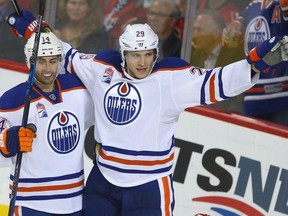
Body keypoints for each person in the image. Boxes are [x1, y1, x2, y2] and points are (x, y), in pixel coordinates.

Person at [7, 9, 288, 216]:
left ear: (156, 53)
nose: (142, 62)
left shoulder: (171, 78)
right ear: (123, 53)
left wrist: (255, 62)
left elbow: (216, 82)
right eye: (135, 55)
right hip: (103, 180)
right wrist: (35, 29)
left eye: (148, 54)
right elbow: (64, 54)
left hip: (148, 187)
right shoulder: (102, 69)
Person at [0, 31, 94, 215]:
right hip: (30, 204)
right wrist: (7, 141)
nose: (48, 68)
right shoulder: (13, 101)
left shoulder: (77, 90)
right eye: (41, 61)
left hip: (73, 201)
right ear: (30, 61)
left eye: (53, 61)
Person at [222, 0, 288, 126]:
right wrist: (233, 30)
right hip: (252, 99)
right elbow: (237, 28)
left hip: (282, 100)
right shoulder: (253, 5)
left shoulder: (279, 4)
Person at [191, 9, 246, 113]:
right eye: (193, 29)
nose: (194, 35)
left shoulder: (234, 58)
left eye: (199, 30)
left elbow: (236, 98)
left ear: (216, 33)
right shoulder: (195, 54)